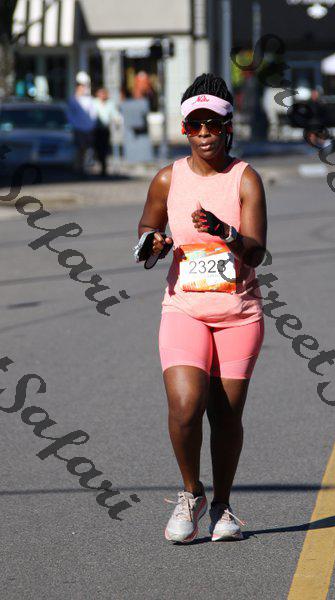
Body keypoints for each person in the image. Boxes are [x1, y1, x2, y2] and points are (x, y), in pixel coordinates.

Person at [136, 72, 267, 543]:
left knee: (225, 416)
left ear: (228, 127)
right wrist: (153, 243)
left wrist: (224, 231)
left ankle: (223, 507)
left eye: (213, 124)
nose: (205, 133)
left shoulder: (245, 179)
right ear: (184, 129)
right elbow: (146, 231)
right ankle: (191, 494)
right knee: (186, 405)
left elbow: (256, 252)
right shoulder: (167, 178)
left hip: (238, 314)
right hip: (184, 309)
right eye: (195, 125)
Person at [67, 72, 97, 174]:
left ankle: (86, 168)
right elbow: (70, 115)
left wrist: (91, 125)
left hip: (88, 129)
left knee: (88, 150)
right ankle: (78, 168)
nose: (82, 89)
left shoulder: (89, 99)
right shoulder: (73, 100)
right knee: (79, 150)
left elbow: (93, 114)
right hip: (78, 129)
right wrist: (75, 125)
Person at [93, 87, 121, 177]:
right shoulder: (94, 103)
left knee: (104, 148)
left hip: (105, 130)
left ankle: (103, 167)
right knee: (97, 148)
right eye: (101, 94)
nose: (102, 95)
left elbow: (115, 114)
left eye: (104, 94)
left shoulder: (110, 104)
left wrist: (117, 122)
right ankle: (98, 164)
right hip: (95, 129)